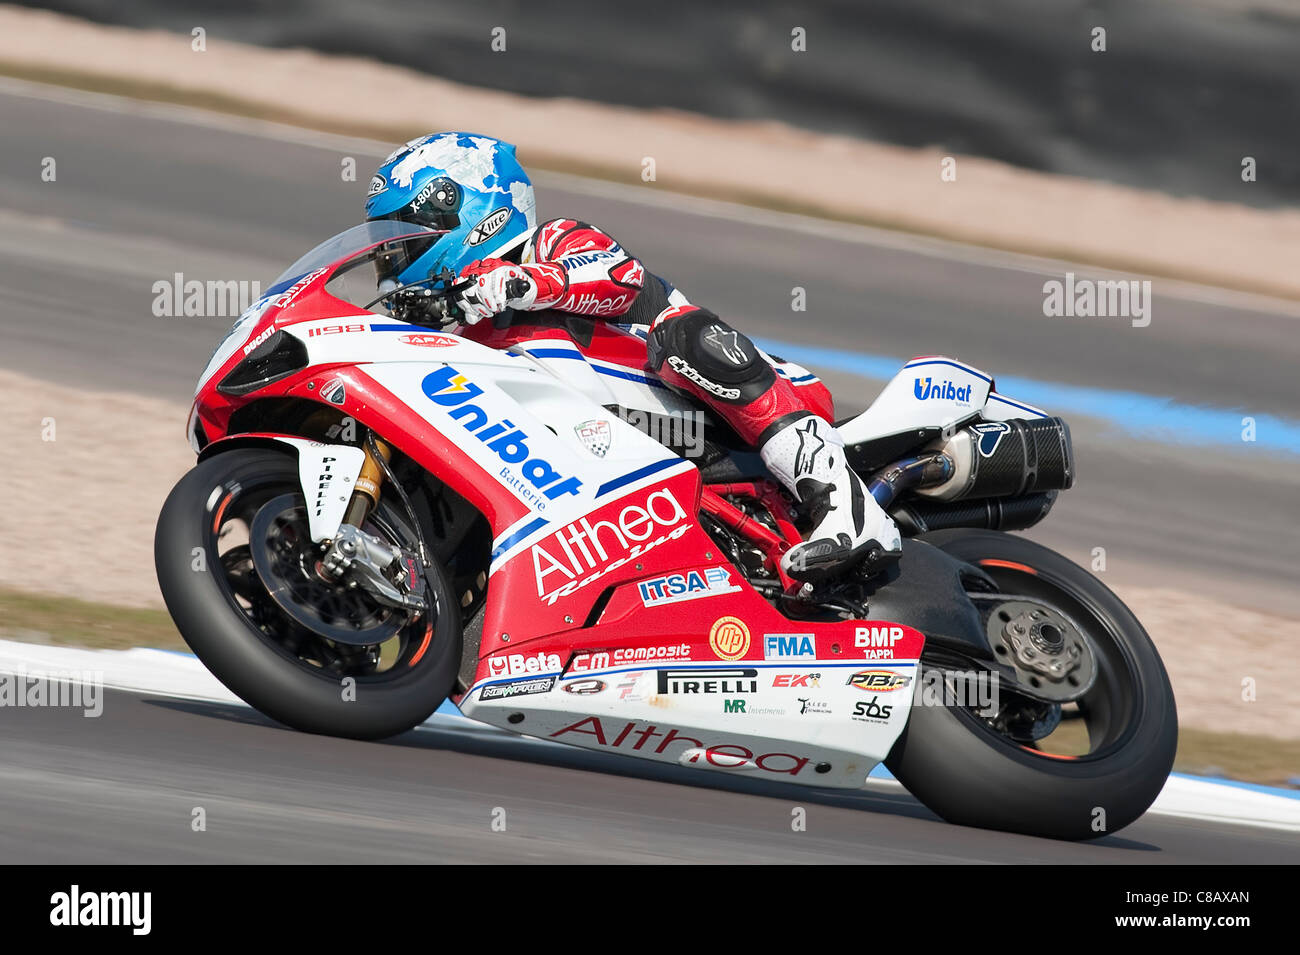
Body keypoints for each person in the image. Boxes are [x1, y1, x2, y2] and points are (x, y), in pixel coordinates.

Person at [364, 132, 901, 581]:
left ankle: (844, 505)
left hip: (718, 413)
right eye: (385, 241)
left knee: (681, 332)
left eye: (404, 233)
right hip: (612, 475)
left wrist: (520, 283)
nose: (393, 253)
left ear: (472, 211)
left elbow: (620, 280)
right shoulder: (456, 327)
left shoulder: (553, 241)